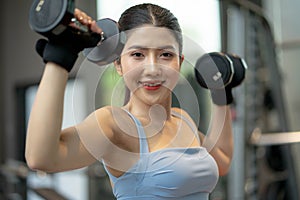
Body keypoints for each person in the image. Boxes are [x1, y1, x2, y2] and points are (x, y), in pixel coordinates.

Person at [26, 3, 234, 200]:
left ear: (179, 62)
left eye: (165, 54)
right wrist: (60, 57)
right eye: (137, 54)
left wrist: (220, 92)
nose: (152, 69)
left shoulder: (183, 120)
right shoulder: (115, 124)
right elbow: (41, 158)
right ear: (118, 64)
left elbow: (222, 160)